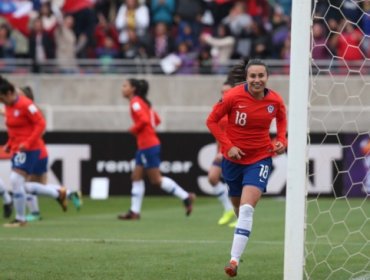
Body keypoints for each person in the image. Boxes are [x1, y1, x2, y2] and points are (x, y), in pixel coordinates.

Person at [206, 59, 287, 277]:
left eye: (261, 76)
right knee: (238, 209)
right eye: (253, 76)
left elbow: (281, 119)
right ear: (247, 77)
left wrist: (281, 140)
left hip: (260, 159)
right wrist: (228, 146)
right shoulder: (232, 96)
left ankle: (233, 261)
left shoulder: (275, 100)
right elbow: (211, 121)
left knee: (247, 209)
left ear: (267, 77)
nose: (257, 80)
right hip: (233, 161)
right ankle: (241, 236)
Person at [0, 77, 82, 227]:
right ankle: (63, 193)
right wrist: (9, 144)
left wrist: (28, 142)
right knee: (23, 186)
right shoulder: (9, 107)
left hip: (31, 149)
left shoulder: (26, 105)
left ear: (10, 93)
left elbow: (41, 124)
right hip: (19, 150)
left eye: (2, 98)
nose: (2, 102)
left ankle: (22, 218)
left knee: (16, 180)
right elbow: (13, 130)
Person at [118, 78, 195, 220]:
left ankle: (186, 196)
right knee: (136, 177)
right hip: (145, 145)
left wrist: (134, 129)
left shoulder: (135, 102)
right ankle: (134, 212)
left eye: (125, 86)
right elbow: (156, 120)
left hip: (148, 145)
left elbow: (145, 121)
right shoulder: (143, 103)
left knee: (156, 180)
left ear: (133, 89)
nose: (122, 88)